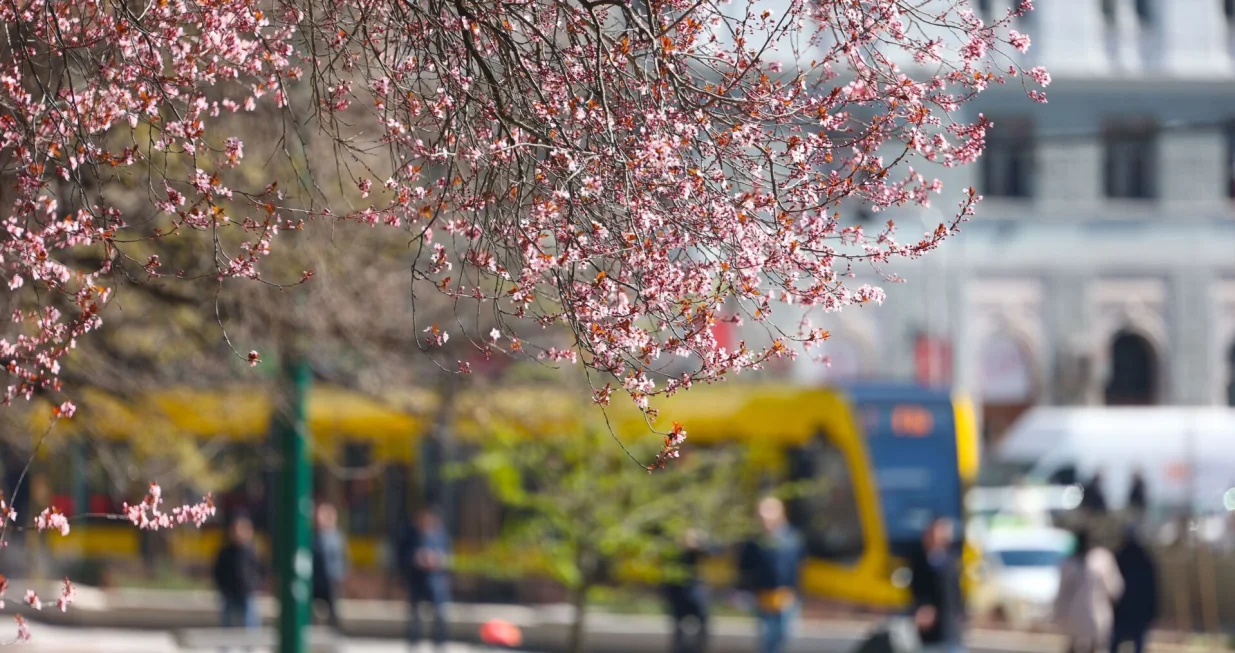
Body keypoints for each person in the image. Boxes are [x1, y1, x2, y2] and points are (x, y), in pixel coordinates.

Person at [738, 497, 803, 653]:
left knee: (782, 636)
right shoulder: (754, 541)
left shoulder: (791, 538)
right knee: (767, 637)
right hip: (763, 596)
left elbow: (797, 566)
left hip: (786, 596)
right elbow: (745, 567)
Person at [1054, 529, 1124, 653]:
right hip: (1097, 614)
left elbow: (1062, 593)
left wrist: (1059, 613)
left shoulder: (1070, 562)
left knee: (1076, 645)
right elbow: (1115, 589)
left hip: (1074, 615)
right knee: (1096, 646)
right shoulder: (1102, 559)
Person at [908, 517, 965, 653]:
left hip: (950, 629)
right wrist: (922, 607)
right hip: (929, 631)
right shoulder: (919, 562)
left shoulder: (951, 561)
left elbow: (955, 594)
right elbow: (916, 590)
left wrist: (961, 616)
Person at [398, 506, 451, 649]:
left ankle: (439, 643)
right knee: (415, 615)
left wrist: (438, 560)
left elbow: (448, 556)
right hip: (417, 580)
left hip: (435, 580)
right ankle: (413, 643)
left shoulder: (440, 535)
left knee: (439, 614)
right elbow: (402, 556)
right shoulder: (410, 535)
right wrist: (416, 558)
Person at [212, 513, 262, 632]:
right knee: (227, 623)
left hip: (246, 592)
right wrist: (223, 587)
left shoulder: (251, 551)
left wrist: (253, 585)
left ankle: (250, 647)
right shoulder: (225, 552)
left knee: (250, 622)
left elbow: (259, 570)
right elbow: (218, 571)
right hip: (229, 593)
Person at [662, 528, 709, 653]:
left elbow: (713, 552)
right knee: (678, 631)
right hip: (679, 595)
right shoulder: (675, 554)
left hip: (695, 596)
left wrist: (699, 545)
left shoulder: (700, 552)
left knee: (702, 627)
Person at [1111, 528, 1157, 653]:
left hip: (1122, 613)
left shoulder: (1119, 557)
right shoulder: (1145, 560)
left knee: (1115, 645)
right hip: (1138, 613)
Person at [311, 501, 347, 630]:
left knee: (333, 608)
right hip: (316, 578)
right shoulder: (314, 536)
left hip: (331, 577)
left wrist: (340, 574)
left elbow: (341, 558)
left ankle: (334, 631)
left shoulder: (336, 536)